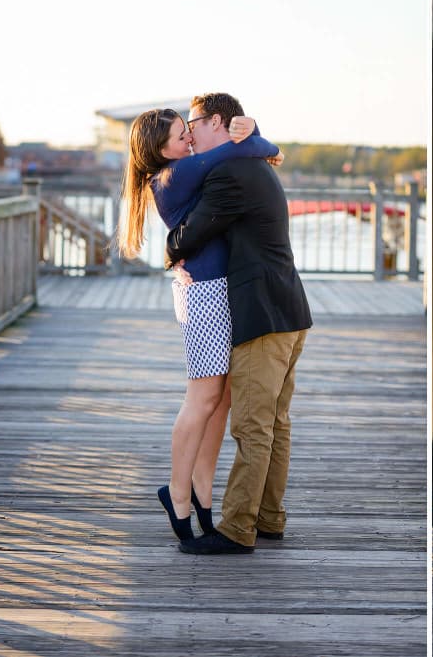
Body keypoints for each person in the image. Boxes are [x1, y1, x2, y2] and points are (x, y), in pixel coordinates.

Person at [117, 105, 280, 543]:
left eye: (187, 132)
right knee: (202, 399)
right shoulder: (175, 174)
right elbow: (245, 150)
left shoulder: (181, 169)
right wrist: (261, 135)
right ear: (159, 148)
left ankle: (203, 492)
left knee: (221, 399)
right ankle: (177, 491)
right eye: (179, 135)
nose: (189, 139)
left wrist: (255, 136)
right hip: (204, 296)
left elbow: (238, 151)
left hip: (213, 289)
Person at [166, 92, 312, 555]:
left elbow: (190, 234)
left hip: (262, 315)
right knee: (275, 422)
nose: (189, 135)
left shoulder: (229, 173)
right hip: (290, 310)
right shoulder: (257, 163)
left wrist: (172, 248)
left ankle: (237, 529)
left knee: (252, 427)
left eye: (193, 125)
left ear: (216, 122)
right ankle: (269, 519)